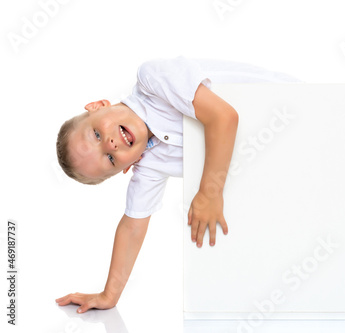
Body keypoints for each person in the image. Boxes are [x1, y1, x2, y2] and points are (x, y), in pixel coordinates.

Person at [55, 56, 298, 313]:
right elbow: (132, 226)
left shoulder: (152, 81)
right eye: (111, 159)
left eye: (96, 134)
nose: (110, 144)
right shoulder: (148, 162)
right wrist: (109, 295)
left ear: (99, 105)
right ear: (127, 167)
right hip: (284, 157)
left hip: (294, 104)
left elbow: (224, 117)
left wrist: (209, 193)